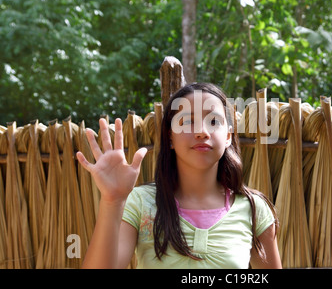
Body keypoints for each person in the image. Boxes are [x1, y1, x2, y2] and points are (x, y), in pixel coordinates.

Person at [76, 82, 282, 269]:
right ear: (170, 137)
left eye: (213, 121)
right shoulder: (140, 203)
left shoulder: (254, 209)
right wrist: (112, 200)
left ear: (228, 137)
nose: (202, 132)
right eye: (187, 121)